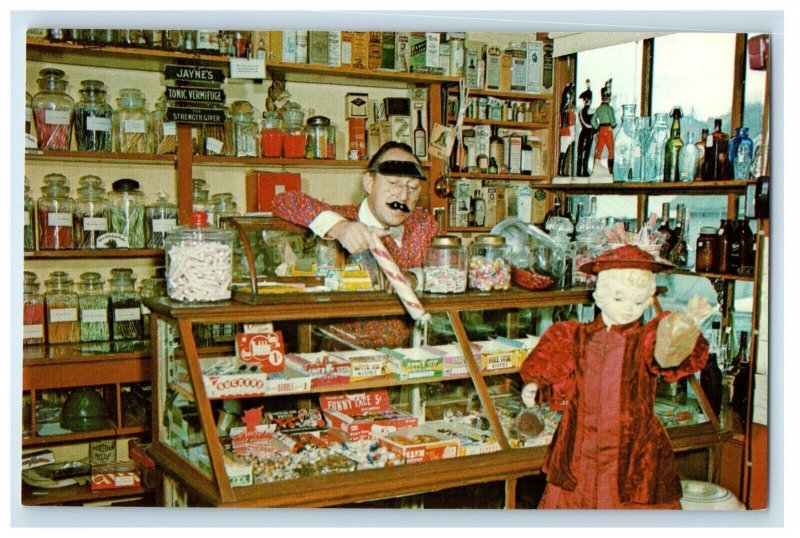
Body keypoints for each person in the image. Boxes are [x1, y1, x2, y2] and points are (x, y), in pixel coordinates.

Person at [518, 245, 712, 509]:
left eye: (638, 301)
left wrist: (686, 326)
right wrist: (537, 388)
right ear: (600, 296)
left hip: (632, 458)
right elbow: (561, 381)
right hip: (579, 453)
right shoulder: (576, 337)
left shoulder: (645, 340)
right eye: (619, 298)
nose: (628, 309)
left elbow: (669, 357)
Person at [271, 141, 441, 348]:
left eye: (412, 188)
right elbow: (283, 201)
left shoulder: (425, 225)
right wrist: (340, 227)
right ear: (369, 182)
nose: (403, 196)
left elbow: (451, 273)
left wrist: (415, 277)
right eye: (393, 184)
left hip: (411, 357)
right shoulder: (343, 217)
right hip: (344, 356)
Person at [590, 78, 616, 176]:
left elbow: (593, 120)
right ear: (608, 97)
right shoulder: (610, 109)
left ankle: (596, 166)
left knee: (599, 149)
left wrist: (597, 127)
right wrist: (613, 125)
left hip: (601, 130)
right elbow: (613, 121)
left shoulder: (599, 109)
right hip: (608, 130)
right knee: (611, 150)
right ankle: (610, 170)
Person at [576, 80, 594, 177]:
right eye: (587, 99)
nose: (588, 101)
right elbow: (586, 123)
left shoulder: (589, 111)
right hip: (586, 133)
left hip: (588, 133)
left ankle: (584, 170)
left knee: (586, 153)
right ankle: (580, 171)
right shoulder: (583, 111)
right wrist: (592, 127)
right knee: (581, 153)